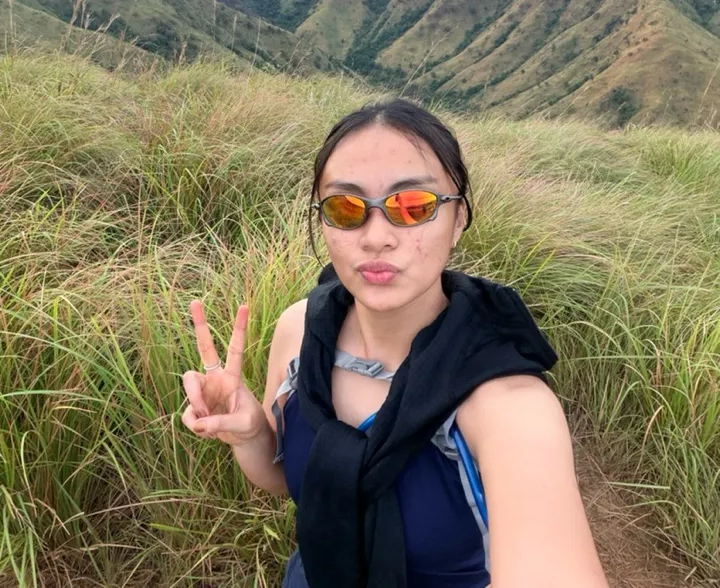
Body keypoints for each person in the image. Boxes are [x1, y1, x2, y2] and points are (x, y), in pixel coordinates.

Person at [180, 98, 609, 588]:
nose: (376, 237)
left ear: (459, 218)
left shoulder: (507, 406)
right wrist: (252, 435)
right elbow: (287, 480)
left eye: (413, 206)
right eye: (345, 208)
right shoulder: (301, 332)